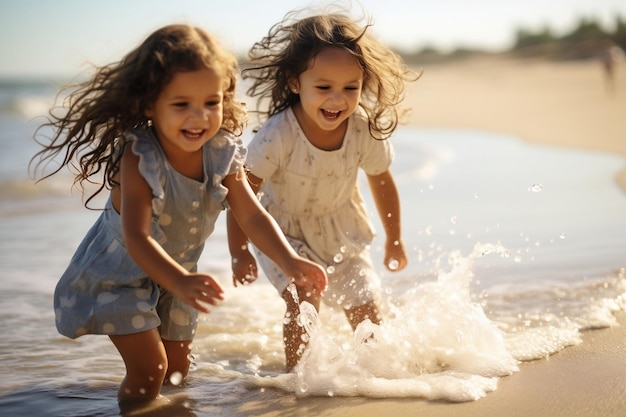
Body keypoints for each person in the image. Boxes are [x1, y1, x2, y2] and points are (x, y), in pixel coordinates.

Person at [30, 24, 326, 405]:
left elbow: (251, 216)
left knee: (176, 374)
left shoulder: (222, 151)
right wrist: (182, 280)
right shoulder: (140, 157)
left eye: (211, 102)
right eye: (181, 104)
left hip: (178, 279)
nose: (199, 117)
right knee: (150, 369)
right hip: (122, 278)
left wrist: (290, 259)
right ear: (149, 104)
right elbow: (136, 236)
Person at [228, 11, 417, 370]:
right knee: (303, 298)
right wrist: (239, 251)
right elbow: (243, 194)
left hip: (342, 229)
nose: (337, 100)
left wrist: (395, 239)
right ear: (295, 82)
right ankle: (298, 380)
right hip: (284, 233)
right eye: (324, 87)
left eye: (350, 88)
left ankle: (377, 376)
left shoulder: (363, 131)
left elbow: (382, 180)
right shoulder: (276, 135)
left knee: (366, 305)